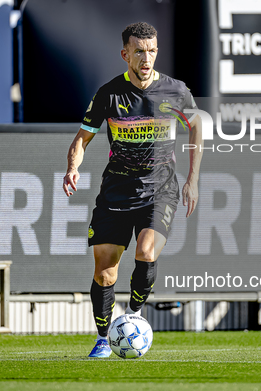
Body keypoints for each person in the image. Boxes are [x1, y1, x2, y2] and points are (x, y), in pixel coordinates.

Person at [62, 22, 202, 358]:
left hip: (160, 190)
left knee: (147, 251)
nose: (146, 57)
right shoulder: (109, 94)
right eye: (139, 51)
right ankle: (102, 336)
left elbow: (198, 127)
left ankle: (134, 317)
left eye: (152, 50)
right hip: (116, 194)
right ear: (125, 54)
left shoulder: (175, 90)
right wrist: (72, 167)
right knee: (106, 272)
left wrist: (192, 179)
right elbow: (82, 138)